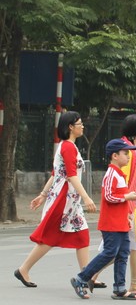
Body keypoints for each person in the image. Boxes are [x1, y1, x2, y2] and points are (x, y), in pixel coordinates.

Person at [14, 112, 97, 288]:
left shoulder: (67, 146)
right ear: (70, 127)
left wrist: (43, 194)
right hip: (64, 199)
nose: (82, 126)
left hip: (70, 200)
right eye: (80, 124)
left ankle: (87, 276)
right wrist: (86, 197)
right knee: (50, 237)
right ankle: (24, 269)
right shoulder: (67, 147)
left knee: (82, 236)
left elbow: (56, 173)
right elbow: (71, 176)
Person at [92, 114, 136, 298]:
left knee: (115, 249)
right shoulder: (128, 154)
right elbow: (123, 182)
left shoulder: (130, 151)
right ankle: (133, 284)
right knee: (132, 246)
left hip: (129, 206)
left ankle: (91, 275)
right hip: (128, 207)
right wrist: (129, 208)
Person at [70, 139, 136, 299]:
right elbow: (109, 196)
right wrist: (127, 196)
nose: (129, 156)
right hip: (111, 223)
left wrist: (129, 209)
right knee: (110, 253)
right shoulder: (111, 174)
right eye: (125, 153)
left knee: (123, 254)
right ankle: (81, 278)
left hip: (121, 222)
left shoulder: (120, 174)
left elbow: (118, 198)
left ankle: (120, 288)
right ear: (115, 156)